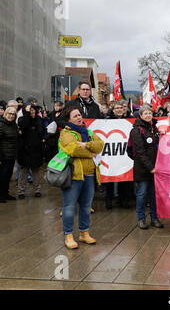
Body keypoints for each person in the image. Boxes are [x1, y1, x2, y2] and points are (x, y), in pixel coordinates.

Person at [59, 106, 104, 250]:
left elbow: (100, 145)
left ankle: (84, 233)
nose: (79, 118)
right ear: (68, 119)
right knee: (69, 207)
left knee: (85, 207)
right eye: (75, 116)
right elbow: (73, 149)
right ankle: (68, 235)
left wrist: (86, 144)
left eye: (79, 115)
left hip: (89, 175)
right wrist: (90, 153)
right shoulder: (65, 133)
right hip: (73, 176)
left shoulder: (88, 131)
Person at [131, 105, 164, 230]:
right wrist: (150, 168)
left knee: (153, 195)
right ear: (140, 115)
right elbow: (140, 152)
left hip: (155, 169)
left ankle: (154, 218)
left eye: (150, 113)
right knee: (141, 194)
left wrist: (162, 136)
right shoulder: (136, 130)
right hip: (143, 169)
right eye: (145, 113)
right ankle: (141, 219)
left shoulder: (154, 128)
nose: (148, 115)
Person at [104, 102, 133, 209]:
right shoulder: (107, 120)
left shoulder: (130, 119)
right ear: (113, 110)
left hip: (124, 153)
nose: (119, 110)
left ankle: (123, 200)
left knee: (124, 178)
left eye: (121, 108)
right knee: (109, 179)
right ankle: (108, 200)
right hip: (111, 153)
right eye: (117, 108)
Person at [17, 104, 46, 199]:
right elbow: (23, 126)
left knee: (36, 171)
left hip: (36, 149)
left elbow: (44, 130)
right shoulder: (22, 119)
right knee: (24, 170)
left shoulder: (39, 119)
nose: (32, 112)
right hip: (25, 149)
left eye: (33, 110)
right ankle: (21, 191)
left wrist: (44, 138)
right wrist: (27, 115)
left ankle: (37, 190)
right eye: (30, 110)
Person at [0, 107, 19, 203]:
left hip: (11, 155)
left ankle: (5, 193)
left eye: (13, 114)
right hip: (3, 156)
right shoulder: (1, 125)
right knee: (2, 176)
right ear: (5, 114)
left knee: (8, 176)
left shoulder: (14, 125)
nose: (11, 116)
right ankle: (1, 195)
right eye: (9, 114)